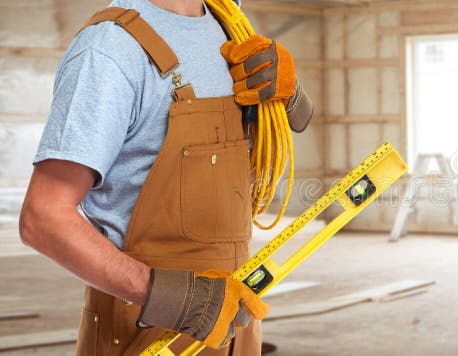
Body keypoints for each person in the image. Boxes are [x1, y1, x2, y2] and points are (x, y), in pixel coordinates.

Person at [18, 0, 313, 355]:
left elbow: (277, 122)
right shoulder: (110, 49)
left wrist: (293, 96)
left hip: (232, 323)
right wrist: (178, 300)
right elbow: (43, 219)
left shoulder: (230, 26)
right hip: (148, 331)